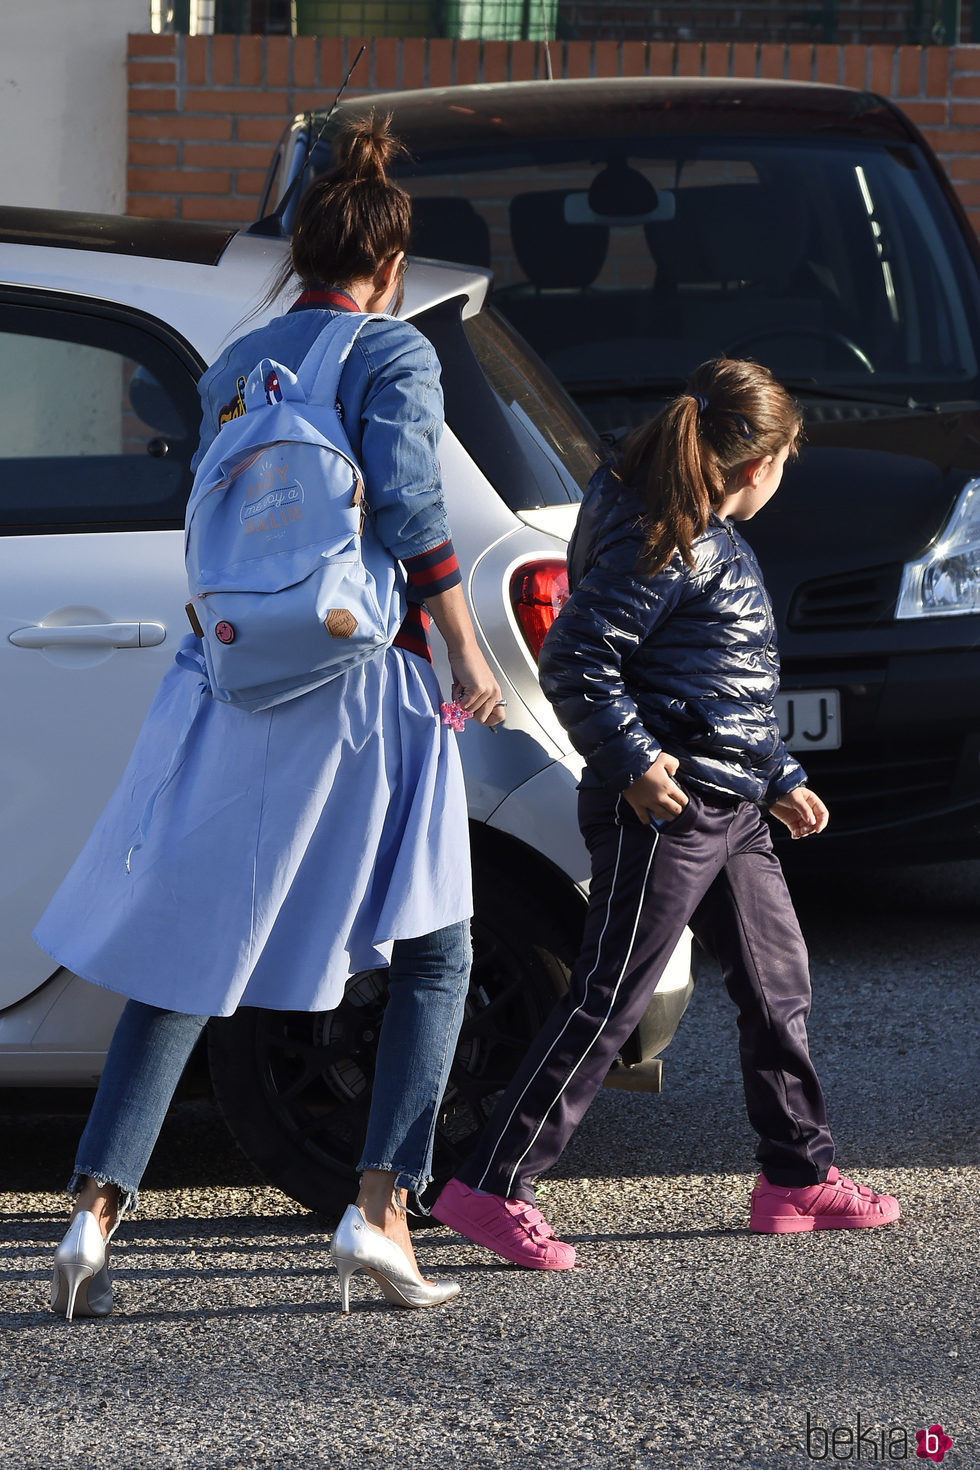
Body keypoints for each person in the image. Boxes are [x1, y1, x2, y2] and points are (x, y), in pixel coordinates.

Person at [36, 115, 504, 1319]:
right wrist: (464, 650)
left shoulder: (236, 366)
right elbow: (406, 510)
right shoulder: (392, 356)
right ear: (389, 268)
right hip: (362, 688)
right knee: (435, 942)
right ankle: (381, 1212)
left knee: (187, 951)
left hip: (239, 686)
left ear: (297, 258)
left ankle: (91, 1212)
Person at [432, 358, 900, 1268]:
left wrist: (779, 773)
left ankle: (797, 1177)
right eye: (786, 461)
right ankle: (490, 1186)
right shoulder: (663, 534)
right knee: (612, 997)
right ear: (754, 463)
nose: (783, 478)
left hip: (733, 804)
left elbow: (716, 689)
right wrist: (636, 766)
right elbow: (577, 659)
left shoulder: (691, 529)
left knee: (779, 985)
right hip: (669, 810)